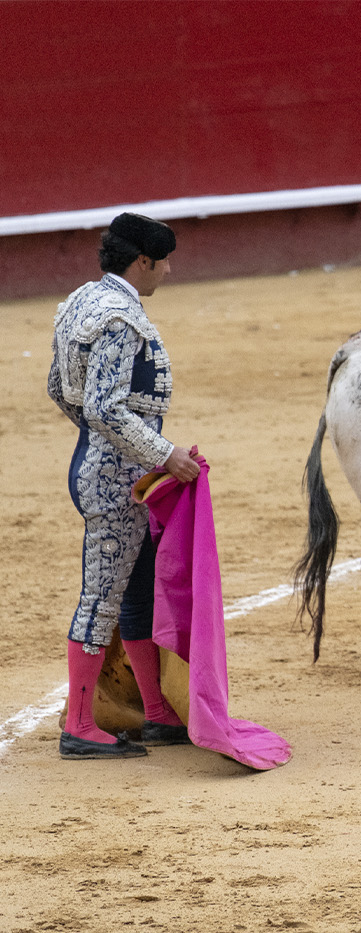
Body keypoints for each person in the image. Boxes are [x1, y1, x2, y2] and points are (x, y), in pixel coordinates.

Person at [48, 212, 202, 759]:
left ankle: (156, 712)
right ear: (143, 262)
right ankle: (81, 726)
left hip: (107, 469)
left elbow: (61, 390)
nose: (167, 270)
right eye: (163, 262)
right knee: (102, 596)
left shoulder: (81, 303)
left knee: (135, 590)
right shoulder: (120, 319)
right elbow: (104, 405)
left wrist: (97, 440)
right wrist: (165, 455)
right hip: (115, 483)